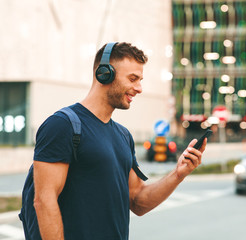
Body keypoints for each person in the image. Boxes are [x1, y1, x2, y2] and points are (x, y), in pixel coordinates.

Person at [22, 42, 207, 240]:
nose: (139, 88)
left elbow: (138, 201)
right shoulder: (62, 125)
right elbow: (44, 201)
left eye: (140, 80)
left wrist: (178, 174)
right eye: (133, 79)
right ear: (104, 74)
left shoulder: (123, 136)